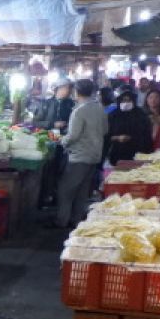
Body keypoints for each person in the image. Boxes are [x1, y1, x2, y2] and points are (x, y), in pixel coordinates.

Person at [56, 79, 107, 229]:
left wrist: (62, 141)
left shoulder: (79, 110)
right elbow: (105, 130)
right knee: (82, 191)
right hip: (94, 155)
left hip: (79, 156)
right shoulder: (99, 108)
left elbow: (73, 135)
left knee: (65, 190)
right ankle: (76, 220)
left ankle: (61, 221)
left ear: (76, 92)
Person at [108, 90, 153, 165]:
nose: (126, 103)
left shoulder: (141, 115)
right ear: (119, 101)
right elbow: (106, 135)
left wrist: (133, 138)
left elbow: (146, 134)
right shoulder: (113, 115)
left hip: (138, 153)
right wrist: (117, 138)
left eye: (129, 100)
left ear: (134, 101)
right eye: (123, 100)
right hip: (118, 154)